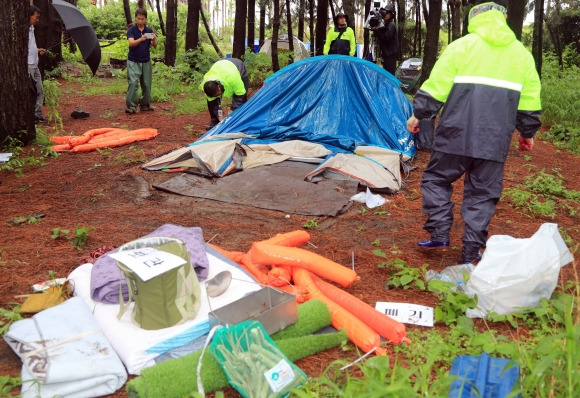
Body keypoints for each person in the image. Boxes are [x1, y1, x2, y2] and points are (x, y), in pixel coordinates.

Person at [406, 0, 541, 264]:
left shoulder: (461, 47)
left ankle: (439, 234)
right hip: (494, 140)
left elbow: (437, 86)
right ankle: (471, 252)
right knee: (482, 194)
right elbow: (530, 99)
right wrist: (528, 132)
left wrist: (418, 114)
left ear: (474, 19)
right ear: (503, 19)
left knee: (436, 179)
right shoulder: (521, 55)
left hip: (454, 135)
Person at [200, 58, 248, 130]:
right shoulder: (207, 86)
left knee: (241, 100)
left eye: (218, 94)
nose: (218, 96)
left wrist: (232, 109)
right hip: (221, 67)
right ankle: (215, 122)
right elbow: (214, 104)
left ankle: (241, 121)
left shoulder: (233, 78)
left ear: (219, 87)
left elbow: (240, 95)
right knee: (212, 103)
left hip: (237, 66)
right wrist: (220, 119)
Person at [125, 8, 157, 114]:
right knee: (133, 82)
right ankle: (131, 106)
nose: (140, 21)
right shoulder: (131, 30)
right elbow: (131, 43)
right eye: (138, 18)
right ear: (135, 18)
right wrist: (141, 39)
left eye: (142, 19)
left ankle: (145, 104)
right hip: (133, 60)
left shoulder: (149, 31)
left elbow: (155, 46)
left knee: (147, 83)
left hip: (146, 60)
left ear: (145, 19)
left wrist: (154, 39)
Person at [28, 5, 46, 122]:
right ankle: (30, 115)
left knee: (40, 90)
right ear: (29, 16)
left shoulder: (32, 29)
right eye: (36, 17)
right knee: (31, 92)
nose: (37, 20)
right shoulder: (24, 31)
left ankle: (37, 115)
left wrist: (38, 50)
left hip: (35, 65)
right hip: (29, 66)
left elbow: (30, 47)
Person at [372, 5, 398, 75]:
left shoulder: (391, 25)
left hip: (390, 54)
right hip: (386, 53)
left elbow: (386, 37)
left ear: (391, 15)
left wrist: (378, 30)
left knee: (390, 73)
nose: (386, 15)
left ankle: (392, 85)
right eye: (385, 13)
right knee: (386, 73)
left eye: (388, 14)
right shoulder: (385, 24)